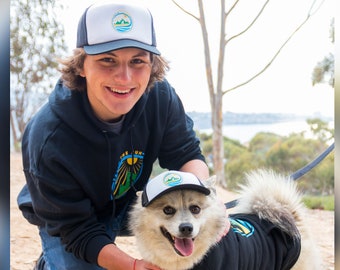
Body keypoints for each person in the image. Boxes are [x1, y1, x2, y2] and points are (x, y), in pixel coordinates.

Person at [17, 1, 210, 270]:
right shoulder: (50, 137)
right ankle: (50, 262)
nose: (124, 77)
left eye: (138, 61)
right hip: (71, 218)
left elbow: (188, 155)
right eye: (107, 60)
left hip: (130, 204)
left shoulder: (160, 97)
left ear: (153, 65)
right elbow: (79, 231)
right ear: (81, 65)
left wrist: (203, 203)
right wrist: (133, 265)